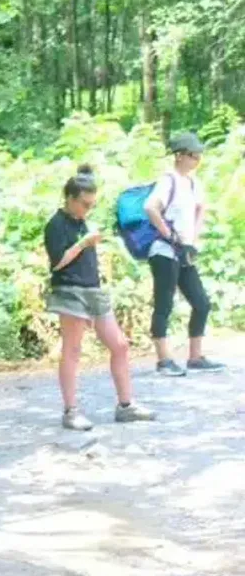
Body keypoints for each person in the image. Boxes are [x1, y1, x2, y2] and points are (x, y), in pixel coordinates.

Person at [44, 165, 156, 431]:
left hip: (93, 288)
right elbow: (58, 262)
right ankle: (71, 411)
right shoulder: (56, 224)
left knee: (119, 345)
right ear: (70, 199)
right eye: (84, 204)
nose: (87, 209)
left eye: (92, 205)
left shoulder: (84, 221)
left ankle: (126, 405)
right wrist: (83, 244)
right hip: (70, 290)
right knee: (72, 349)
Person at [144, 132, 223, 376]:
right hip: (164, 251)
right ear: (179, 156)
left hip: (184, 252)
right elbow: (150, 207)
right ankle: (163, 359)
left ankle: (195, 356)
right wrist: (169, 234)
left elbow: (201, 208)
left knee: (202, 303)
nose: (197, 159)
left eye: (199, 154)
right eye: (193, 155)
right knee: (164, 303)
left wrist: (193, 240)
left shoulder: (192, 182)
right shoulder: (168, 180)